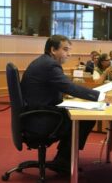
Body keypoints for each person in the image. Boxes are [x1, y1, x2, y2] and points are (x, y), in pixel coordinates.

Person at [20, 35, 100, 173]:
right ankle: (64, 160)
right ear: (53, 49)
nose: (69, 54)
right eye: (65, 50)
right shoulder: (49, 65)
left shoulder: (44, 62)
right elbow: (70, 87)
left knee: (79, 115)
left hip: (35, 113)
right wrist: (100, 96)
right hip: (40, 118)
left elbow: (56, 87)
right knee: (85, 118)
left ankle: (63, 158)